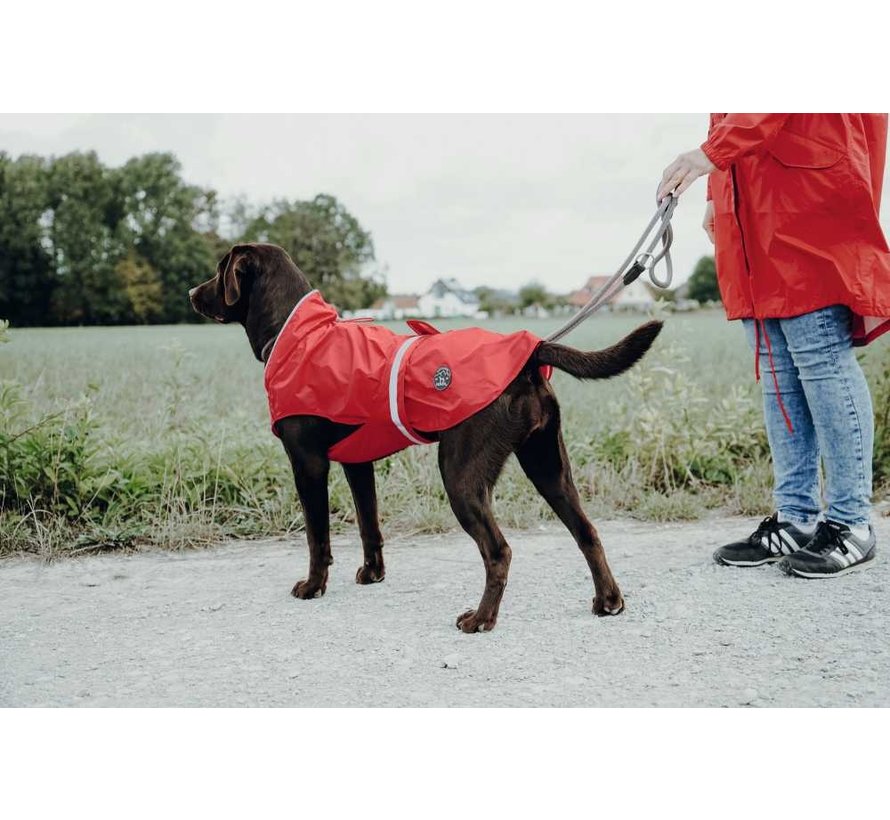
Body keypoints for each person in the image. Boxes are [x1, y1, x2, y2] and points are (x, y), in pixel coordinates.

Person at [658, 114, 890, 577]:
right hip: (752, 192)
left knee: (821, 356)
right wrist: (716, 188)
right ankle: (796, 518)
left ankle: (851, 523)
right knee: (776, 364)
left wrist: (709, 157)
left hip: (803, 192)